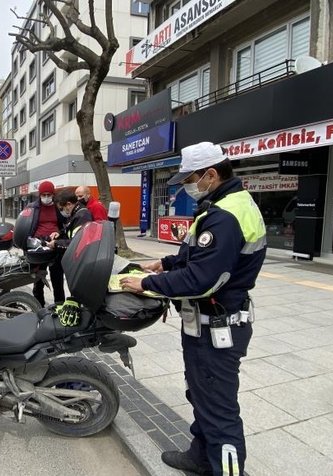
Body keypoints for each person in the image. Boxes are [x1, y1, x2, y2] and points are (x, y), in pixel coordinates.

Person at [119, 142, 266, 476]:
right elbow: (198, 257)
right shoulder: (225, 204)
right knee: (201, 396)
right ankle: (199, 458)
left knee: (220, 412)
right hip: (207, 325)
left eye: (192, 178)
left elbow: (202, 279)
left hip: (218, 327)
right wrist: (164, 262)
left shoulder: (226, 215)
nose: (189, 184)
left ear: (211, 174)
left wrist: (147, 284)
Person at [27, 181, 66, 307]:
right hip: (39, 246)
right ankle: (38, 306)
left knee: (57, 278)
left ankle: (59, 306)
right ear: (39, 195)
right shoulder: (33, 207)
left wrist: (59, 234)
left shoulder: (58, 207)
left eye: (49, 194)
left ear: (53, 194)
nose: (46, 197)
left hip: (56, 246)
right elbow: (26, 225)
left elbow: (65, 225)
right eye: (43, 194)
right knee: (38, 280)